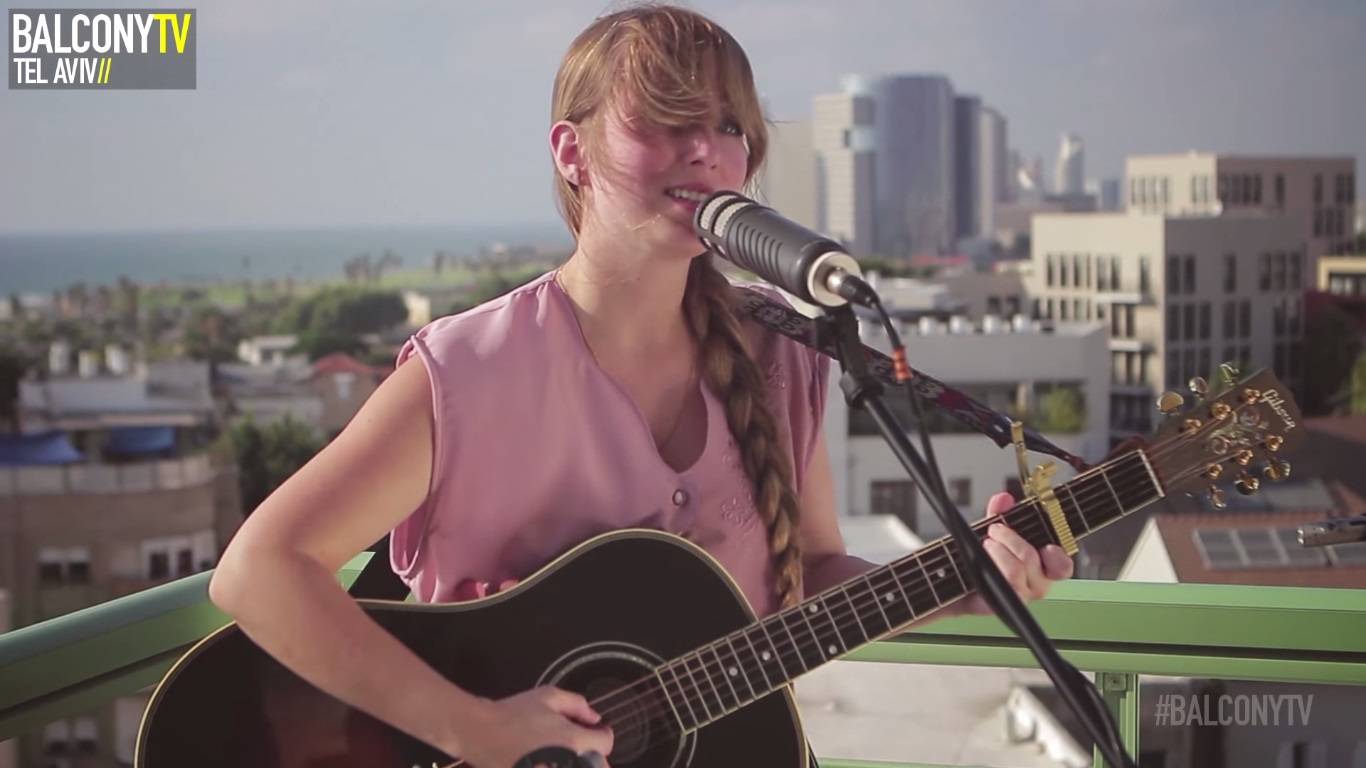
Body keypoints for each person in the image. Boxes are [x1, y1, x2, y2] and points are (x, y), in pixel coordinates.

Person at [208, 4, 1075, 767]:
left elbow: (809, 572)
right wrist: (473, 730)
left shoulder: (788, 352)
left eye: (730, 127)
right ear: (571, 153)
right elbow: (258, 571)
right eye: (665, 119)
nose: (705, 148)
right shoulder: (467, 373)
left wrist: (960, 582)